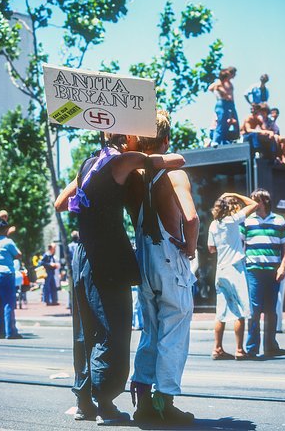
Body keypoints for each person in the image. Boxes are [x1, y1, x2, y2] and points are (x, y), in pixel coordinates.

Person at [54, 134, 185, 425]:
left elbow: (60, 202)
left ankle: (84, 402)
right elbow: (177, 160)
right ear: (126, 136)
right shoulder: (122, 161)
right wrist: (138, 163)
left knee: (85, 329)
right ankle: (105, 404)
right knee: (113, 327)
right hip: (108, 255)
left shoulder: (90, 164)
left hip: (84, 253)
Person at [128, 112, 199, 426]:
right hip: (170, 258)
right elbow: (192, 218)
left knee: (151, 330)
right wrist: (192, 247)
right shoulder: (173, 173)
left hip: (145, 259)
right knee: (175, 329)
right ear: (167, 139)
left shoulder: (137, 176)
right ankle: (164, 402)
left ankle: (143, 397)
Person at [208, 193, 258, 360]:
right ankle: (239, 349)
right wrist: (233, 194)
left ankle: (217, 348)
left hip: (220, 269)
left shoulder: (213, 225)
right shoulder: (233, 221)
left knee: (220, 312)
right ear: (230, 208)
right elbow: (254, 205)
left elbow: (211, 248)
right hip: (235, 269)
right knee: (240, 310)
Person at [240, 189, 285, 357]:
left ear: (264, 201)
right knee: (254, 310)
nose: (252, 204)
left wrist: (283, 267)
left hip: (273, 271)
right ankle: (252, 348)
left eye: (255, 201)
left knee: (271, 310)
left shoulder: (279, 220)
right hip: (253, 271)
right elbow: (239, 245)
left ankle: (271, 346)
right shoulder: (246, 221)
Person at [0, 216, 22, 339]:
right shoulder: (8, 242)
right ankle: (11, 332)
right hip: (5, 274)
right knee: (8, 303)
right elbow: (18, 255)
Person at [209, 66, 240, 146]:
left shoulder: (230, 83)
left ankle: (226, 140)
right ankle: (216, 140)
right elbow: (211, 88)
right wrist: (223, 94)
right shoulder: (220, 82)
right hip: (223, 102)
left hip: (231, 104)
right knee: (221, 122)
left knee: (233, 122)